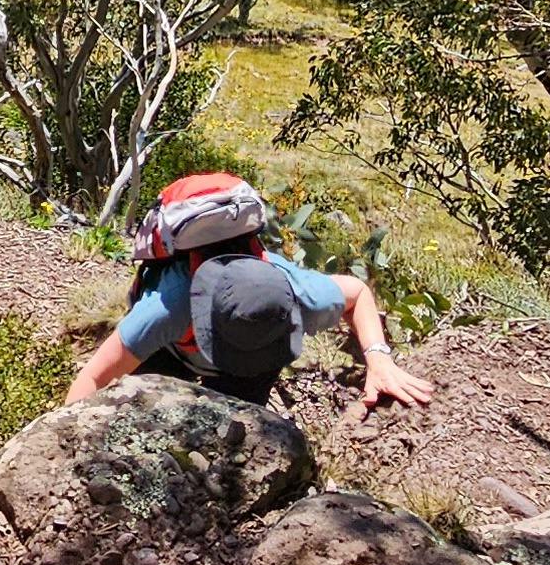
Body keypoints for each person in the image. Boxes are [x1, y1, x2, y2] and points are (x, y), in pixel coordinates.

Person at [60, 171, 438, 411]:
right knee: (144, 409)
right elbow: (93, 378)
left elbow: (357, 294)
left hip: (256, 363)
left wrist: (379, 360)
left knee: (233, 431)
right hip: (171, 352)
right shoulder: (168, 308)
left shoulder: (297, 293)